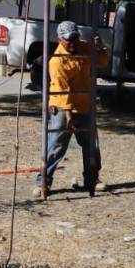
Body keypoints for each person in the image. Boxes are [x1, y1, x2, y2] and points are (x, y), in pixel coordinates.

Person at [33, 21, 109, 198]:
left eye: (75, 37)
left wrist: (100, 47)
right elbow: (63, 91)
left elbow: (102, 63)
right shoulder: (57, 62)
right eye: (69, 40)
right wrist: (69, 116)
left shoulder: (84, 47)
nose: (73, 42)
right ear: (60, 39)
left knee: (91, 145)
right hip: (62, 107)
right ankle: (43, 181)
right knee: (57, 146)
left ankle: (92, 179)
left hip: (84, 104)